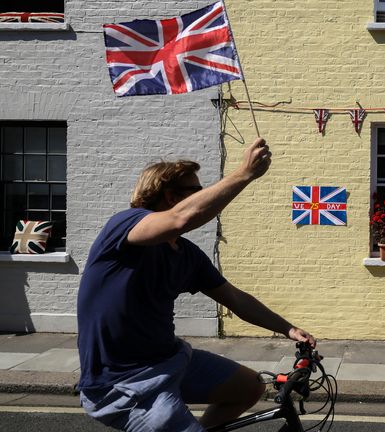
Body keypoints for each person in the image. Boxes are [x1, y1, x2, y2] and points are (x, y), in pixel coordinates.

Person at [77, 139, 315, 431]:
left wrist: (287, 329)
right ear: (170, 197)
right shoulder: (125, 226)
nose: (205, 196)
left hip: (172, 360)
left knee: (250, 387)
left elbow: (235, 299)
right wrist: (244, 173)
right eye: (197, 191)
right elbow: (181, 218)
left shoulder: (186, 255)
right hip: (124, 384)